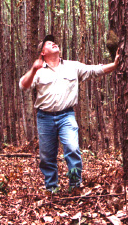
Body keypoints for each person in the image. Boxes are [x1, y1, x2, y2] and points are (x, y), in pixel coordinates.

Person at [19, 35, 119, 193]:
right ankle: (52, 188)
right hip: (44, 117)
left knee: (72, 148)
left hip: (66, 115)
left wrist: (114, 65)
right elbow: (23, 85)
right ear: (42, 52)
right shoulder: (38, 71)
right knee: (47, 156)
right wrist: (33, 69)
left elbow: (94, 70)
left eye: (54, 42)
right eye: (49, 43)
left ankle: (75, 184)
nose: (54, 43)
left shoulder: (72, 66)